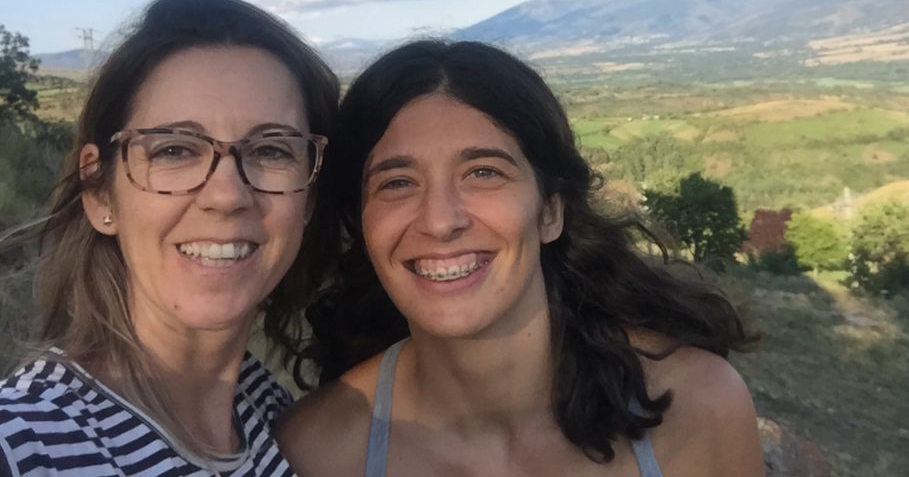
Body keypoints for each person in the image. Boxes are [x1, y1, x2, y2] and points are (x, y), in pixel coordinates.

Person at [278, 39, 763, 476]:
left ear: (550, 210)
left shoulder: (697, 407)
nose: (440, 221)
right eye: (397, 182)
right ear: (362, 225)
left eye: (483, 173)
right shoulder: (317, 453)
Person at [0, 0, 340, 477]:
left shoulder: (268, 408)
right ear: (100, 193)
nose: (226, 195)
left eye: (271, 150)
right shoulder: (25, 443)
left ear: (308, 198)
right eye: (174, 150)